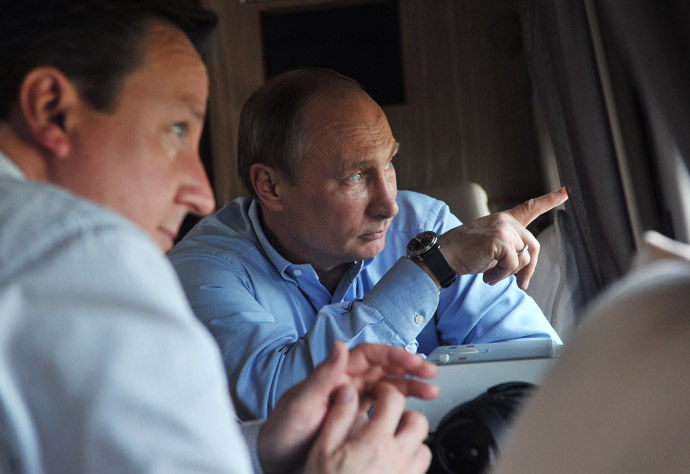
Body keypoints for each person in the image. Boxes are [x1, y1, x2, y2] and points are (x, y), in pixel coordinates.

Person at [0, 2, 440, 473]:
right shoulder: (77, 252)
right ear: (51, 109)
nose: (202, 194)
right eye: (175, 129)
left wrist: (266, 446)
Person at [168, 67, 569, 420]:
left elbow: (539, 361)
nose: (389, 205)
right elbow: (281, 402)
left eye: (389, 163)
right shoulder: (200, 272)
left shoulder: (425, 225)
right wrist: (430, 269)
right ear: (270, 186)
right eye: (355, 176)